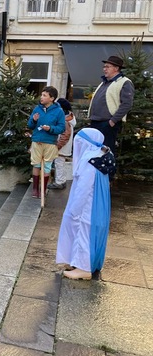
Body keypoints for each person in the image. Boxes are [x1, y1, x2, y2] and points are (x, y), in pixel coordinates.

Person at [56, 128, 115, 280]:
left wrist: (74, 210)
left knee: (84, 232)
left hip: (88, 205)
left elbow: (84, 188)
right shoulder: (103, 154)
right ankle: (80, 262)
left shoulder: (89, 160)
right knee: (88, 232)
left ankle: (83, 268)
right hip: (98, 203)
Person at [88, 55, 135, 156]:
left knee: (105, 152)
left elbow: (127, 104)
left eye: (107, 66)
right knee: (95, 152)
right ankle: (96, 172)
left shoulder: (125, 82)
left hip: (107, 123)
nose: (104, 69)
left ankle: (107, 172)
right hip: (96, 121)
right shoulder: (104, 82)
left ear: (116, 68)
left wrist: (113, 121)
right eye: (104, 67)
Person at [27, 86, 66, 198]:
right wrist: (34, 120)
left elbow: (62, 128)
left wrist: (50, 129)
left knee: (47, 166)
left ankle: (43, 190)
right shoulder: (37, 109)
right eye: (42, 95)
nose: (41, 97)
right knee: (36, 164)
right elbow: (30, 125)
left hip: (50, 142)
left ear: (52, 98)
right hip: (37, 141)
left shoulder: (59, 112)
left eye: (45, 95)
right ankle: (35, 189)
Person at [48, 98, 76, 190]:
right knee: (60, 163)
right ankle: (62, 181)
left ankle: (59, 182)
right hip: (63, 147)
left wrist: (58, 146)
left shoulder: (65, 121)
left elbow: (65, 136)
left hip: (61, 147)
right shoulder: (68, 119)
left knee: (59, 164)